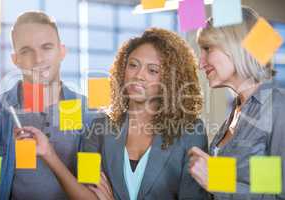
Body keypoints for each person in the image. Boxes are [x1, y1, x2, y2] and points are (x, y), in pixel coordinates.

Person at [15, 28, 210, 199]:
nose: (138, 75)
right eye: (133, 65)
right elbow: (86, 193)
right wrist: (49, 154)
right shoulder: (99, 127)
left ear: (170, 80)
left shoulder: (191, 131)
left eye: (152, 70)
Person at [0, 11, 95, 200]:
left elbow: (91, 186)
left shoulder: (88, 114)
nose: (38, 59)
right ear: (15, 59)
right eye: (26, 51)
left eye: (46, 47)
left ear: (62, 52)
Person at [188, 6, 285, 200]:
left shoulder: (278, 108)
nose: (200, 63)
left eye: (207, 49)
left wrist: (215, 180)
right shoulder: (237, 110)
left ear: (236, 46)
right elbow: (257, 186)